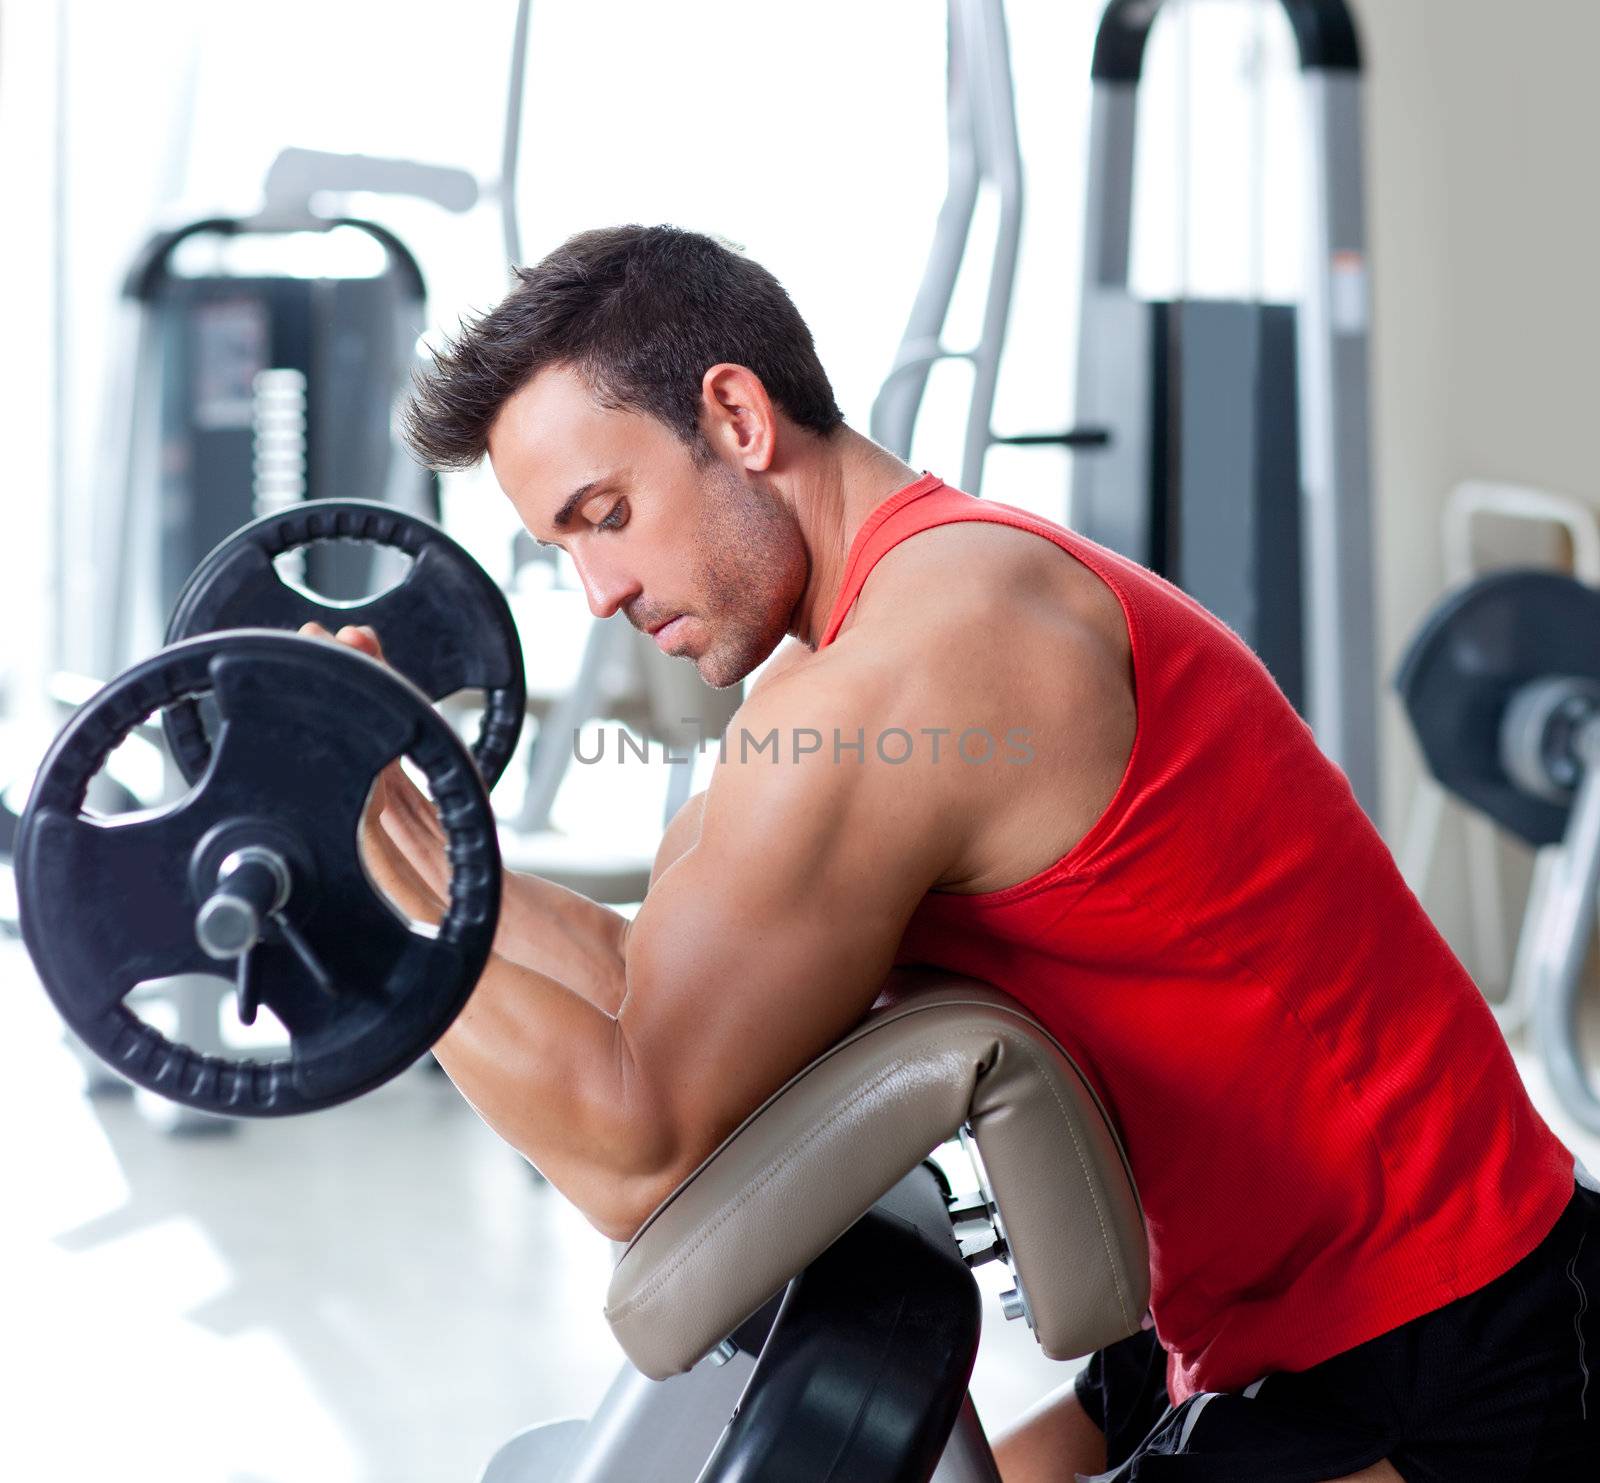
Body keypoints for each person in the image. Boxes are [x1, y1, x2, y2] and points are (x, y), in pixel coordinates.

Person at [321, 224, 1596, 1480]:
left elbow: (635, 1155)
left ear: (736, 418)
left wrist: (363, 913)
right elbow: (640, 980)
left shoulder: (923, 665)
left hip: (1438, 1332)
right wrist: (396, 837)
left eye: (607, 515)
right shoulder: (858, 646)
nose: (597, 588)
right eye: (564, 547)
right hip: (1243, 1308)